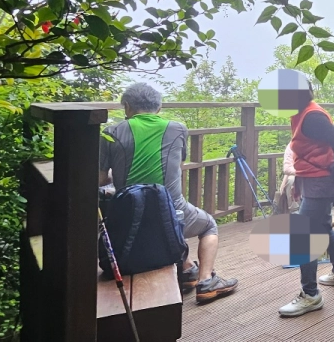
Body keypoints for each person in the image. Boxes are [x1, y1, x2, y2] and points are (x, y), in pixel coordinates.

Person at [98, 83, 238, 304]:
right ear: (159, 107)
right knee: (208, 224)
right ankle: (205, 280)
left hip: (127, 214)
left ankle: (188, 270)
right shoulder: (177, 128)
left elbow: (101, 178)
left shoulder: (112, 132)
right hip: (171, 210)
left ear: (127, 106)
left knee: (169, 223)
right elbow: (177, 162)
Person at [277, 80, 334, 318]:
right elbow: (309, 149)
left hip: (321, 181)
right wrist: (301, 180)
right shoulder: (303, 113)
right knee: (320, 226)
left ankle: (310, 295)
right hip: (314, 179)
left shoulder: (312, 117)